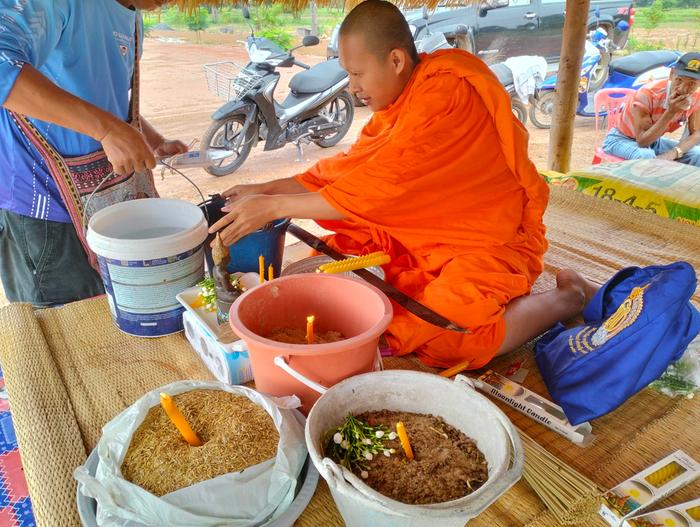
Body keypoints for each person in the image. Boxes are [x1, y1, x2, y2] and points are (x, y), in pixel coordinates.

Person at [210, 0, 598, 369]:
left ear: (395, 60)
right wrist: (268, 190)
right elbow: (348, 171)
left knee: (449, 335)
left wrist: (274, 207)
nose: (352, 87)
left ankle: (567, 297)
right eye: (347, 74)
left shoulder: (446, 93)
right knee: (337, 262)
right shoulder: (402, 99)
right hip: (422, 231)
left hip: (486, 240)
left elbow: (378, 186)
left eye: (358, 74)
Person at [0, 0, 186, 306]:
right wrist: (107, 131)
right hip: (43, 205)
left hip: (102, 201)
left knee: (110, 310)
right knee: (65, 325)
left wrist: (152, 139)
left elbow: (103, 95)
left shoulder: (132, 18)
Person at [602, 52, 700, 166]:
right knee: (646, 156)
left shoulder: (697, 97)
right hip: (620, 139)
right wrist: (671, 112)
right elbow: (643, 142)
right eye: (679, 80)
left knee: (697, 154)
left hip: (654, 142)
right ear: (672, 74)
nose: (683, 89)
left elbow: (696, 134)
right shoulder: (648, 94)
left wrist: (673, 153)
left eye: (692, 84)